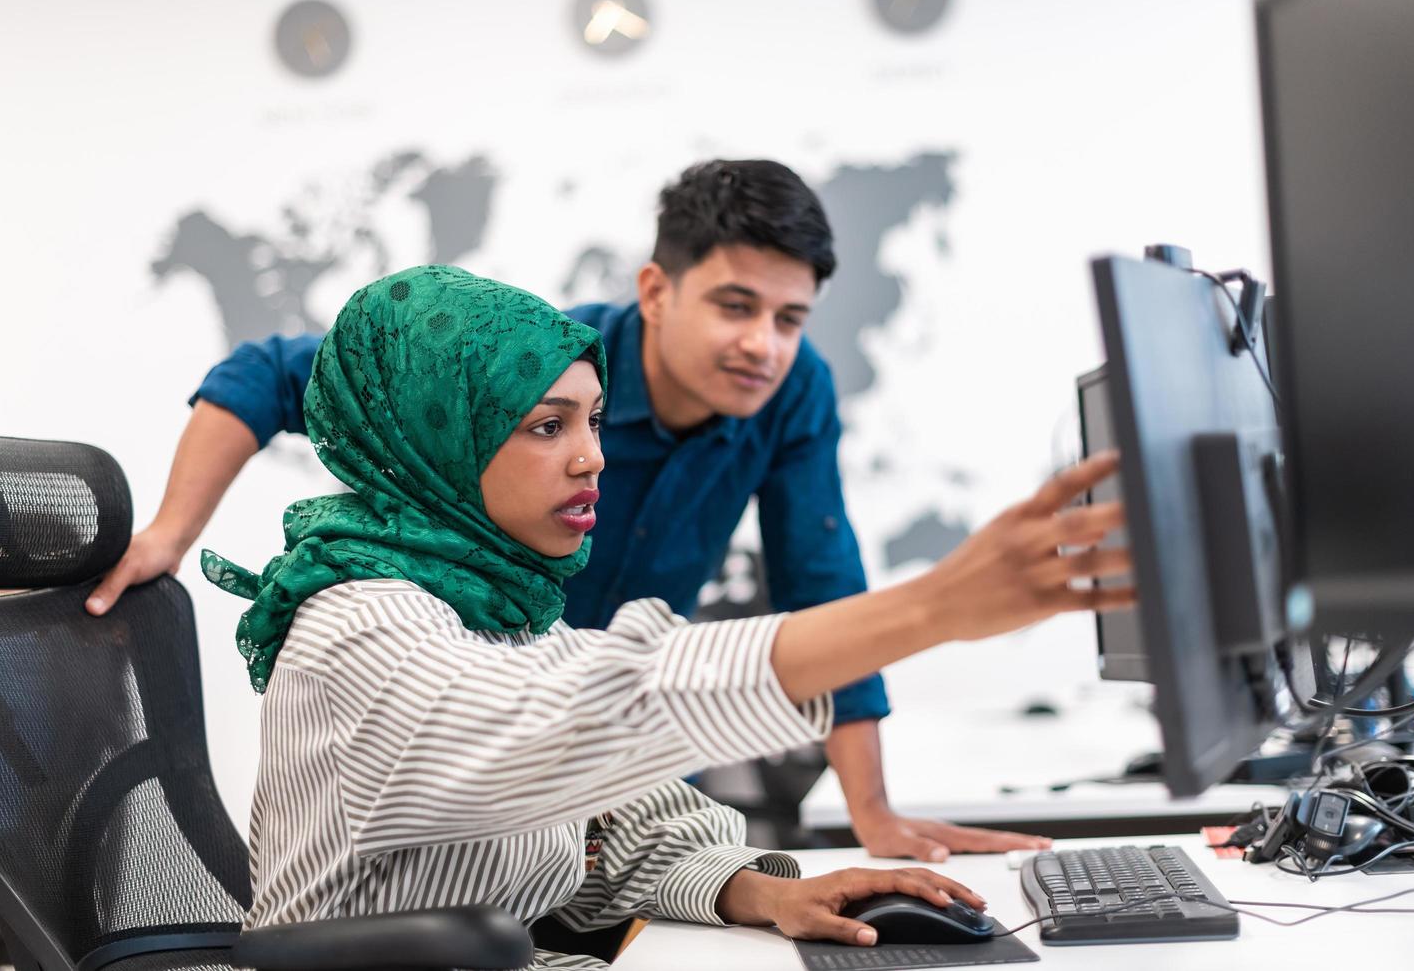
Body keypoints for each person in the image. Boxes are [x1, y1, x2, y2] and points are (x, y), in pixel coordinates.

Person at [91, 160, 1043, 860]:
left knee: (688, 878)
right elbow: (267, 373)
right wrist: (171, 536)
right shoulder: (527, 373)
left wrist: (872, 819)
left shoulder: (791, 395)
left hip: (617, 721)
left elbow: (819, 578)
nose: (764, 346)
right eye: (736, 307)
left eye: (791, 320)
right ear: (656, 291)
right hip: (480, 720)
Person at [210, 266, 1129, 967]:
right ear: (437, 439)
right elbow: (566, 730)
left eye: (595, 422)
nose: (591, 459)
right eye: (545, 426)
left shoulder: (500, 606)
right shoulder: (359, 625)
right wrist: (927, 609)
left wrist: (759, 890)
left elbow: (613, 820)